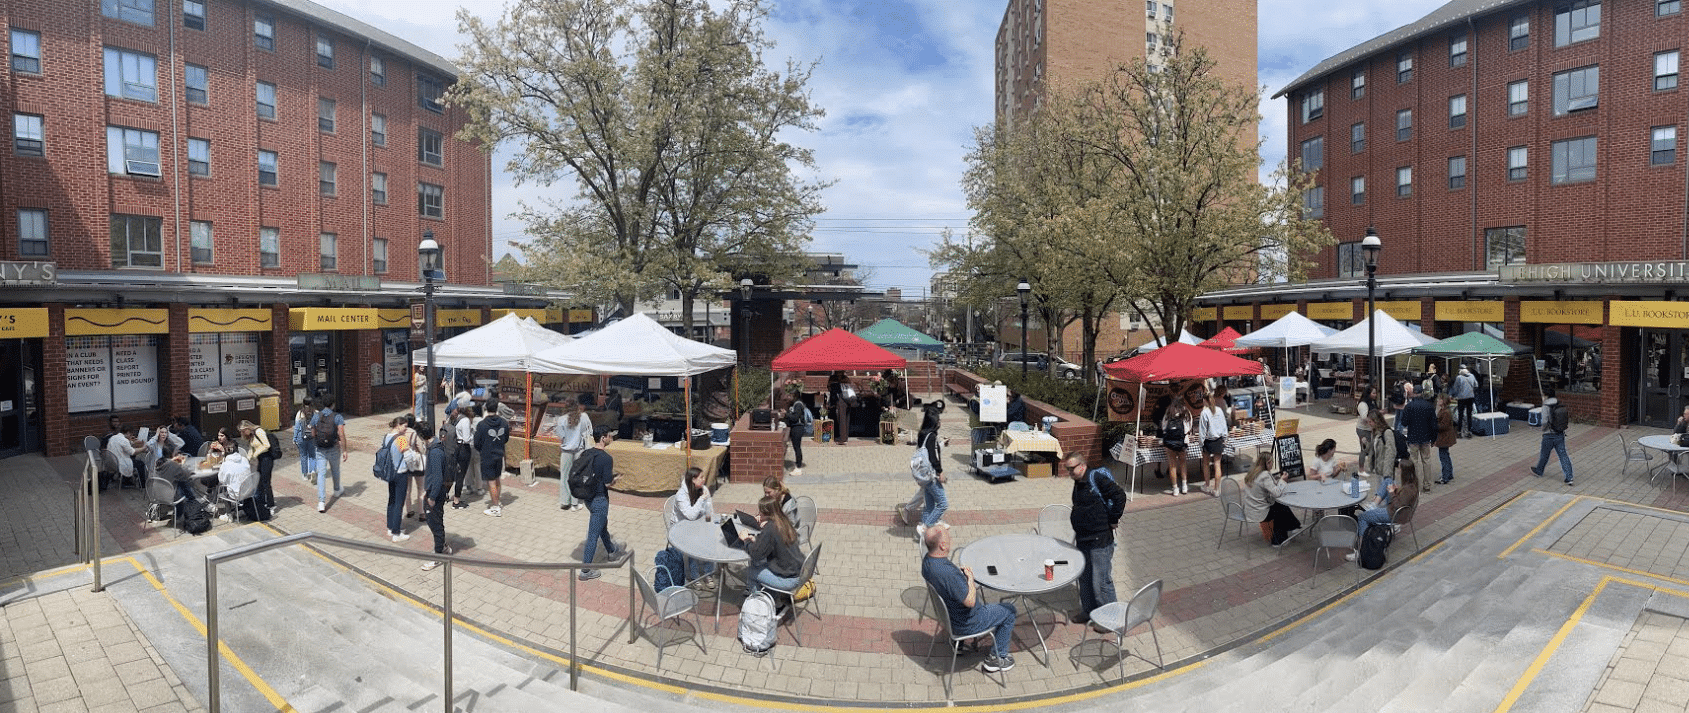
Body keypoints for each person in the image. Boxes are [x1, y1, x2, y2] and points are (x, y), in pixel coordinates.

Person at [921, 524, 1018, 673]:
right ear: (942, 545)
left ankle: (956, 643)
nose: (951, 539)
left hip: (949, 618)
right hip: (968, 623)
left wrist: (963, 581)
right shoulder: (948, 574)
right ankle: (996, 658)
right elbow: (970, 601)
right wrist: (970, 579)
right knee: (1009, 611)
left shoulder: (927, 562)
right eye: (949, 538)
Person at [1065, 452, 1126, 625]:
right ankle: (1089, 611)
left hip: (1099, 540)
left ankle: (1111, 620)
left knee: (1101, 582)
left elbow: (1119, 495)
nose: (1069, 473)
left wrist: (1113, 519)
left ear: (1082, 466)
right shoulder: (1078, 482)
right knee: (1084, 578)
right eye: (1067, 469)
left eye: (1072, 469)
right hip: (1083, 538)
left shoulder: (1095, 478)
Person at [1348, 460, 1419, 562]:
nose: (1398, 470)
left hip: (1395, 514)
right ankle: (1373, 505)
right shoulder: (1411, 483)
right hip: (1397, 510)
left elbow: (1397, 505)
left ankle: (1361, 551)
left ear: (1404, 471)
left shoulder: (1408, 489)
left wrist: (1392, 492)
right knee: (1388, 481)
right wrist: (1396, 490)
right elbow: (1403, 499)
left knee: (1362, 517)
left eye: (1399, 468)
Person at [577, 425, 621, 580]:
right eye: (610, 435)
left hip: (588, 498)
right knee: (593, 535)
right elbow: (608, 483)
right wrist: (615, 479)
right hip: (600, 499)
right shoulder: (606, 458)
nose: (612, 438)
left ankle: (611, 550)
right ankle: (585, 570)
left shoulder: (586, 453)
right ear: (603, 438)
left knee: (602, 525)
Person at [739, 495, 803, 599]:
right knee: (759, 564)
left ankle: (758, 605)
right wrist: (758, 539)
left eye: (760, 511)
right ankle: (773, 598)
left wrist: (745, 540)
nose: (758, 514)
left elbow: (756, 555)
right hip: (798, 572)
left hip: (788, 579)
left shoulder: (770, 528)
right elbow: (775, 543)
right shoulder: (783, 521)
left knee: (751, 571)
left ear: (766, 513)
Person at [666, 466, 715, 587]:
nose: (704, 480)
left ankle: (708, 574)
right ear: (693, 479)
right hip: (680, 528)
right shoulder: (681, 495)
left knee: (710, 540)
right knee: (693, 543)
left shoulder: (703, 489)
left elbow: (709, 509)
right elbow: (691, 516)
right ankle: (695, 576)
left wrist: (709, 524)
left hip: (696, 525)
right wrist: (701, 499)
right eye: (701, 477)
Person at [1241, 458, 1300, 545]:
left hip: (1250, 508)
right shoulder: (1265, 475)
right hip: (1259, 511)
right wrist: (1282, 481)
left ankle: (1294, 527)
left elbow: (1265, 488)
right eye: (1272, 462)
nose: (1272, 464)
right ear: (1268, 463)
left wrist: (1275, 481)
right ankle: (1279, 540)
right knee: (1280, 509)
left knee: (1279, 505)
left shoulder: (1253, 473)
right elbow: (1276, 493)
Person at [911, 402, 947, 542]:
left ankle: (923, 532)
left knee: (930, 505)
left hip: (923, 474)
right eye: (938, 420)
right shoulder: (931, 436)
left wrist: (942, 444)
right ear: (934, 422)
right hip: (930, 475)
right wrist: (940, 472)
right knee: (943, 503)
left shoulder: (923, 434)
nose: (940, 422)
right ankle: (925, 527)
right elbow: (932, 457)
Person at [420, 423, 455, 571]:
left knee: (435, 523)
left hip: (435, 493)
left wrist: (432, 497)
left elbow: (437, 477)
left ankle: (438, 555)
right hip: (434, 490)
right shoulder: (436, 447)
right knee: (435, 521)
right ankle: (443, 547)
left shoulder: (434, 452)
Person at [554, 395, 593, 511]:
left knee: (564, 476)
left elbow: (561, 436)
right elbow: (589, 431)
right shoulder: (584, 417)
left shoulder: (561, 419)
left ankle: (565, 501)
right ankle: (575, 502)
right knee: (577, 477)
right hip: (579, 451)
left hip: (566, 451)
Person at [310, 396, 348, 513]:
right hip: (334, 447)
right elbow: (341, 434)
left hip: (320, 449)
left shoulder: (317, 416)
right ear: (333, 404)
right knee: (335, 469)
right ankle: (337, 490)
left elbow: (312, 432)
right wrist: (345, 450)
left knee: (321, 474)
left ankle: (321, 502)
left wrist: (317, 440)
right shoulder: (337, 417)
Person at [474, 400, 512, 517]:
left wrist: (483, 449)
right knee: (497, 479)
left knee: (491, 482)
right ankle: (497, 501)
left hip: (487, 456)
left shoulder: (481, 425)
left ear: (486, 409)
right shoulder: (504, 423)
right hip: (499, 454)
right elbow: (506, 438)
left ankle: (495, 507)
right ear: (496, 408)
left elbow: (476, 443)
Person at [1397, 383, 1437, 494]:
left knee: (1414, 462)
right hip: (1426, 438)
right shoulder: (1429, 406)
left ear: (1414, 393)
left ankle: (1415, 485)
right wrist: (1434, 439)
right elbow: (1434, 425)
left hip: (1413, 438)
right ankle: (1427, 485)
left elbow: (1404, 422)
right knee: (1427, 461)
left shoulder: (1409, 407)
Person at [1530, 388, 1574, 485]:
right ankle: (1569, 477)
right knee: (1563, 456)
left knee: (1544, 455)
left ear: (1546, 395)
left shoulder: (1546, 405)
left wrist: (1542, 429)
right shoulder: (1558, 403)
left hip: (1548, 435)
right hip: (1559, 434)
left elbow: (1545, 421)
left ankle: (1539, 470)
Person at [384, 417, 419, 543]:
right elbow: (409, 457)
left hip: (390, 472)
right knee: (399, 502)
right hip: (401, 473)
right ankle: (396, 533)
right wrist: (412, 466)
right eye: (405, 426)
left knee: (392, 500)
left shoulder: (387, 437)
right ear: (398, 425)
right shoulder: (401, 439)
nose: (406, 429)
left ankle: (390, 527)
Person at [238, 420, 277, 516]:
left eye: (243, 431)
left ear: (247, 428)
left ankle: (271, 505)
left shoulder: (259, 431)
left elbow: (266, 445)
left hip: (267, 458)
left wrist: (255, 454)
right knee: (259, 481)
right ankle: (262, 502)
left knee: (265, 481)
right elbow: (252, 448)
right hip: (260, 458)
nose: (242, 433)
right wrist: (247, 459)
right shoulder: (251, 435)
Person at [1198, 390, 1229, 495]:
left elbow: (1202, 430)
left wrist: (1201, 443)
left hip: (1208, 441)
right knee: (1217, 464)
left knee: (1206, 464)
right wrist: (1225, 438)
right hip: (1218, 440)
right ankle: (1216, 489)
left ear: (1205, 401)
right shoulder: (1219, 410)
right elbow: (1224, 426)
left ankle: (1207, 485)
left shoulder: (1204, 412)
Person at [1161, 400, 1192, 496]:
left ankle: (1175, 489)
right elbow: (1189, 427)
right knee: (1183, 463)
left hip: (1170, 442)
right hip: (1182, 441)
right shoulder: (1186, 412)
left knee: (1172, 465)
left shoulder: (1168, 412)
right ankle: (1184, 486)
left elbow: (1163, 427)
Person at [1361, 408, 1400, 483]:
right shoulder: (1375, 432)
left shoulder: (1387, 433)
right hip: (1378, 470)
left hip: (1386, 472)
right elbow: (1371, 450)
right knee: (1379, 491)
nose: (1369, 424)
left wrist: (1387, 474)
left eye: (1370, 422)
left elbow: (1390, 453)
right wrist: (1365, 444)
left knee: (1387, 492)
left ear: (1376, 421)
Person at [450, 405, 476, 508]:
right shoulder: (465, 420)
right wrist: (473, 434)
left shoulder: (456, 418)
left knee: (455, 473)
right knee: (461, 475)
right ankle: (456, 501)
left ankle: (448, 494)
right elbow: (466, 439)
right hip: (463, 449)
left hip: (455, 447)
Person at [105, 423, 144, 488]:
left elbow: (123, 444)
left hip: (112, 462)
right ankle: (142, 485)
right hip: (119, 463)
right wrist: (143, 448)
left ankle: (126, 479)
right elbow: (132, 452)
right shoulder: (124, 440)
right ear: (128, 432)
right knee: (140, 464)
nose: (131, 436)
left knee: (132, 459)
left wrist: (132, 441)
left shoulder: (113, 437)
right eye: (131, 434)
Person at [783, 394, 811, 471]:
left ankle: (798, 466)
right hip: (794, 427)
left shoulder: (798, 405)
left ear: (794, 396)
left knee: (797, 447)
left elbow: (795, 418)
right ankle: (798, 463)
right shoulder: (793, 404)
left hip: (798, 428)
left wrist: (786, 414)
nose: (788, 397)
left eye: (789, 396)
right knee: (796, 447)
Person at [291, 399, 316, 484]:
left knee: (303, 456)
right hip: (312, 438)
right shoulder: (315, 412)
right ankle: (312, 470)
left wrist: (294, 439)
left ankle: (305, 475)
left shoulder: (300, 413)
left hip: (301, 438)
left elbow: (297, 427)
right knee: (312, 455)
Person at [1434, 394, 1457, 485]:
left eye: (1439, 399)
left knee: (1443, 456)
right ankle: (1449, 474)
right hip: (1445, 437)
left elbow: (1443, 426)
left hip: (1444, 438)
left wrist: (1434, 425)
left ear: (1443, 401)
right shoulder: (1443, 410)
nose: (1438, 401)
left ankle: (1445, 476)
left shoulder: (1445, 412)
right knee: (1445, 455)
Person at [1451, 367, 1478, 438]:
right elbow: (1476, 385)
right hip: (1470, 397)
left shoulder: (1459, 377)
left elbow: (1455, 388)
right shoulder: (1472, 376)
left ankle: (1459, 432)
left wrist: (1454, 395)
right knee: (1469, 415)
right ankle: (1469, 432)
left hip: (1461, 398)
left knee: (1460, 415)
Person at [827, 371, 852, 444]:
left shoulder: (833, 378)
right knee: (845, 419)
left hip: (841, 401)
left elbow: (829, 388)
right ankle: (844, 437)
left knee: (841, 418)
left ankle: (842, 438)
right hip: (848, 400)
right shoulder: (846, 378)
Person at [1356, 386, 1377, 465]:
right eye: (1373, 393)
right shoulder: (1363, 404)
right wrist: (1372, 422)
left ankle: (1372, 466)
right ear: (1368, 394)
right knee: (1364, 449)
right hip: (1363, 429)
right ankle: (1361, 468)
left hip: (1370, 429)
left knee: (1372, 448)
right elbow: (1364, 417)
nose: (1375, 395)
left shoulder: (1372, 402)